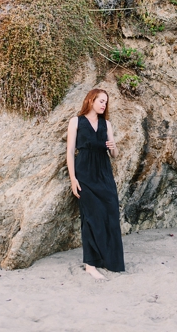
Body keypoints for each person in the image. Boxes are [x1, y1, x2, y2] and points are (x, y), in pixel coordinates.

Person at [66, 88, 125, 280]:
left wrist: (114, 147)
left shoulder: (106, 124)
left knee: (110, 214)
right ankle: (90, 265)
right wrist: (73, 179)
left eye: (106, 102)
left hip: (104, 175)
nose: (103, 105)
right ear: (90, 100)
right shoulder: (76, 122)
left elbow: (114, 155)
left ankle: (109, 260)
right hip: (85, 174)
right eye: (101, 101)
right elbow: (69, 153)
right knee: (90, 218)